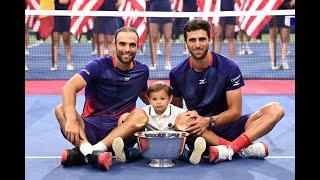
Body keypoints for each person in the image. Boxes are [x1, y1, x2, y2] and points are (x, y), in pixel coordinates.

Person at [169, 19, 285, 164]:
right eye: (192, 40)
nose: (197, 45)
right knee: (183, 124)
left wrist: (208, 121)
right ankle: (242, 148)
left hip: (230, 126)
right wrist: (191, 120)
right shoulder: (177, 73)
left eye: (202, 39)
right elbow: (176, 112)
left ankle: (229, 149)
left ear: (209, 40)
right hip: (201, 131)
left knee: (276, 109)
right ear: (185, 42)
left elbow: (235, 111)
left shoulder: (229, 67)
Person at [54, 27, 150, 171]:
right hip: (89, 129)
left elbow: (149, 98)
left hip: (120, 133)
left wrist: (169, 102)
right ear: (114, 45)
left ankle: (87, 153)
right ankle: (89, 151)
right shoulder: (98, 66)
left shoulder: (142, 71)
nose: (127, 49)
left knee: (141, 115)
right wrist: (72, 120)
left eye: (132, 45)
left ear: (138, 46)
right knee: (60, 109)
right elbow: (69, 87)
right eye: (122, 44)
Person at [112, 81, 206, 165]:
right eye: (154, 99)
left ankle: (192, 155)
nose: (158, 102)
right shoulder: (143, 112)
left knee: (181, 152)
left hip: (171, 146)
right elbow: (134, 117)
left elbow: (188, 114)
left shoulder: (177, 111)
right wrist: (127, 115)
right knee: (138, 152)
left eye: (162, 98)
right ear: (148, 99)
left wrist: (194, 113)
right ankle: (124, 154)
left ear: (170, 99)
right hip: (149, 147)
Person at [268, 0, 295, 70]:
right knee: (272, 38)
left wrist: (289, 4)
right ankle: (273, 63)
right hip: (272, 12)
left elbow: (291, 3)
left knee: (284, 39)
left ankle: (284, 61)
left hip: (285, 11)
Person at [147, 0, 173, 70]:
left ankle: (168, 63)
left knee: (168, 38)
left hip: (167, 12)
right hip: (154, 12)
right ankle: (153, 63)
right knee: (153, 38)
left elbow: (172, 1)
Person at [51, 0, 74, 71]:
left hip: (65, 17)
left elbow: (64, 1)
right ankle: (54, 64)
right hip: (55, 17)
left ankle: (69, 63)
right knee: (55, 42)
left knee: (66, 41)